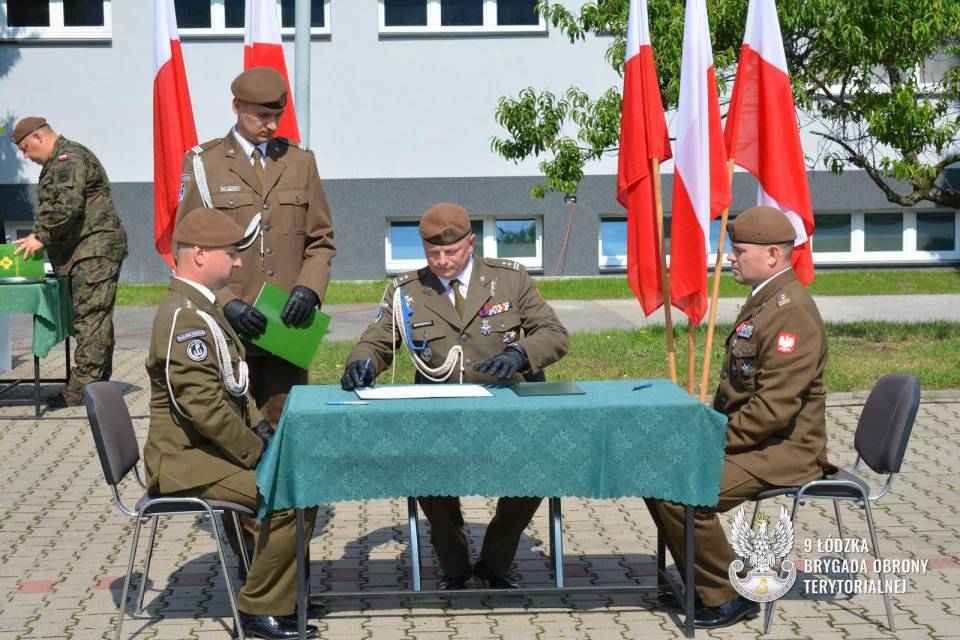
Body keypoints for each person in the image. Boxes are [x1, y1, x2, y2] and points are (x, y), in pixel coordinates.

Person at [341, 203, 570, 590]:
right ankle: (455, 563)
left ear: (471, 243)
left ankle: (495, 561)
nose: (443, 261)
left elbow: (554, 333)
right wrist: (360, 362)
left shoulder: (509, 279)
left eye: (451, 251)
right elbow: (376, 341)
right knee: (424, 475)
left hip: (506, 408)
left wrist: (520, 353)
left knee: (536, 470)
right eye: (433, 253)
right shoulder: (407, 291)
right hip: (439, 411)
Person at [646, 205, 837, 629]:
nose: (730, 257)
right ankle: (702, 582)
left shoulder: (791, 312)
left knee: (678, 490)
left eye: (739, 250)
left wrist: (711, 438)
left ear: (773, 255)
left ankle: (732, 594)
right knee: (657, 474)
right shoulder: (768, 300)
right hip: (757, 441)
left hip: (782, 451)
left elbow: (772, 409)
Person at [144, 207, 319, 639]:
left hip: (202, 450)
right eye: (232, 253)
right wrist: (258, 455)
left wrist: (264, 430)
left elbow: (234, 388)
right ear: (200, 254)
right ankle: (260, 609)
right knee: (291, 494)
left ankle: (279, 598)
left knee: (302, 485)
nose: (240, 263)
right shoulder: (185, 318)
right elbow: (204, 409)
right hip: (182, 461)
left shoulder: (203, 307)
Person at [176, 66, 336, 425]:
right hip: (229, 321)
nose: (272, 125)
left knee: (284, 421)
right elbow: (186, 247)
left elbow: (321, 240)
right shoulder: (204, 163)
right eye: (262, 115)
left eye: (278, 115)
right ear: (237, 107)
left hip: (286, 323)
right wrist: (226, 302)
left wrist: (309, 289)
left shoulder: (300, 161)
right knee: (232, 421)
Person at [10, 117, 127, 409]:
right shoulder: (59, 161)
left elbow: (67, 207)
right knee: (94, 319)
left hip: (94, 251)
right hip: (84, 252)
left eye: (25, 149)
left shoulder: (68, 158)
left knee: (90, 320)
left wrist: (40, 237)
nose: (26, 156)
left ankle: (82, 389)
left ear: (38, 138)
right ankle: (96, 384)